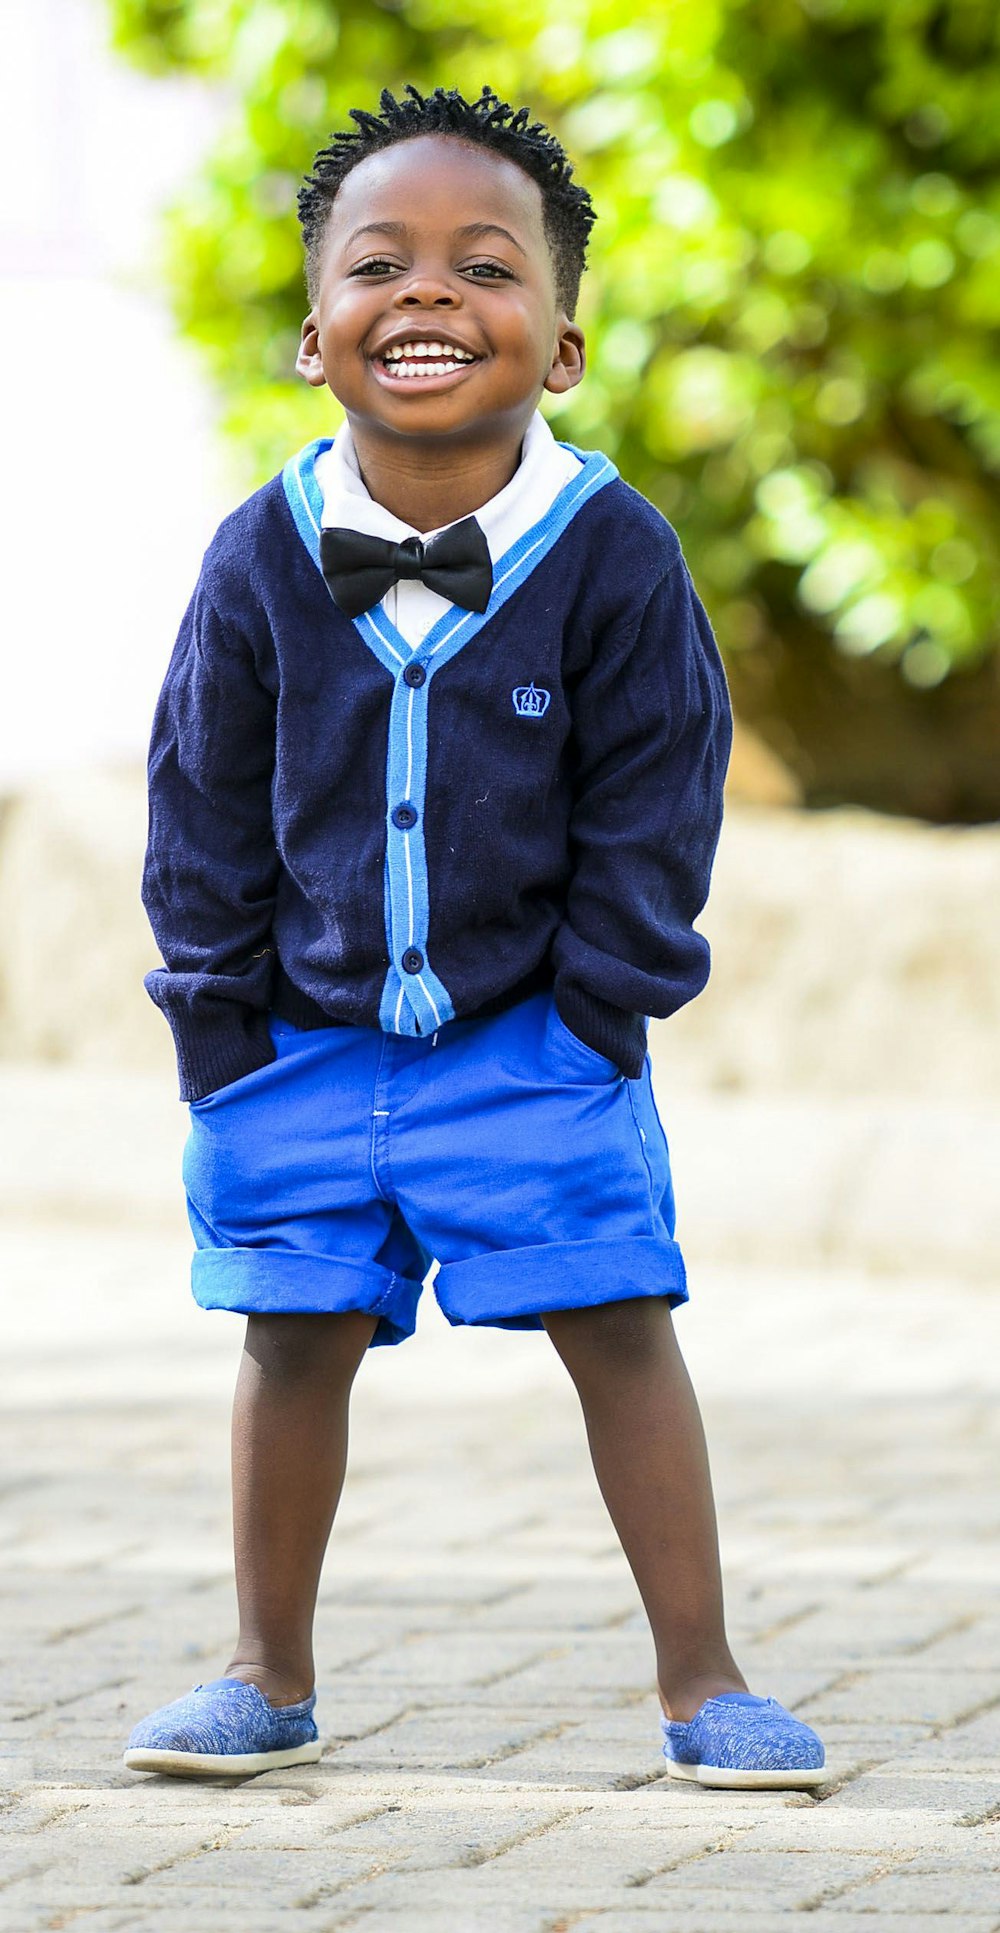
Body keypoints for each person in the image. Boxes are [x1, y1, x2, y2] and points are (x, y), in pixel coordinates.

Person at [125, 84, 825, 1789]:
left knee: (619, 1319)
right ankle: (264, 1672)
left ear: (563, 346)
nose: (430, 294)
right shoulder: (255, 558)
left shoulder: (616, 556)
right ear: (313, 334)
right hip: (296, 1040)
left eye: (485, 266)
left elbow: (662, 795)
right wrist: (220, 1031)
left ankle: (702, 1676)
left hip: (538, 1043)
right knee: (292, 1336)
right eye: (383, 264)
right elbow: (198, 800)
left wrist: (599, 1012)